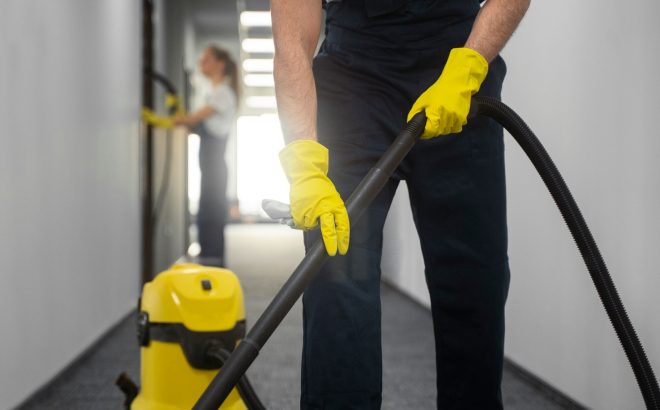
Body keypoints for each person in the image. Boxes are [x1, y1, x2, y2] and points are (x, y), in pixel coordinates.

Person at [272, 0, 530, 408]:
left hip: (455, 71)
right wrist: (303, 162)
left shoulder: (461, 71)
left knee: (473, 279)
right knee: (339, 269)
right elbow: (291, 44)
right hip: (352, 84)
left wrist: (470, 65)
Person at [175, 46, 238, 267]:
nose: (201, 64)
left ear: (220, 64)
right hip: (208, 163)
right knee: (205, 213)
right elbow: (197, 124)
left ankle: (214, 264)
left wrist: (174, 117)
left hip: (215, 164)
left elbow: (193, 120)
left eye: (206, 59)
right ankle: (208, 261)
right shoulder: (210, 91)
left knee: (212, 214)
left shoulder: (223, 92)